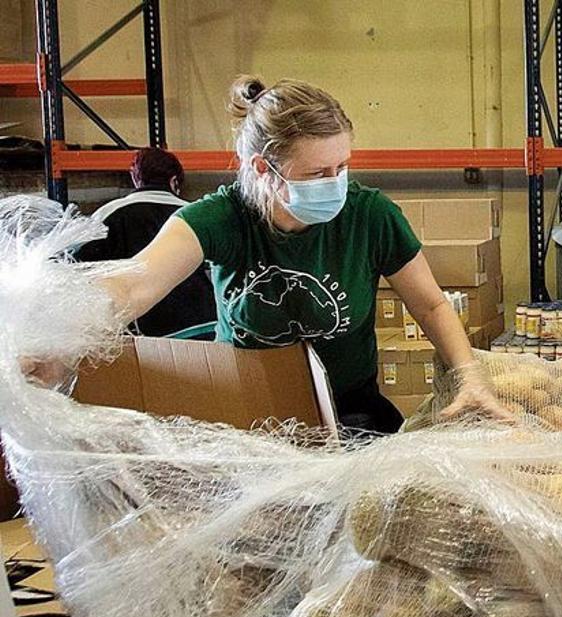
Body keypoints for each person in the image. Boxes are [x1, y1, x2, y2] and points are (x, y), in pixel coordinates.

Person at [50, 76, 507, 433]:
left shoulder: (369, 217)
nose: (335, 183)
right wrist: (52, 333)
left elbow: (429, 304)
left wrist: (469, 376)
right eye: (316, 172)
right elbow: (135, 284)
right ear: (262, 170)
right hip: (246, 413)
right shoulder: (221, 219)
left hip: (350, 413)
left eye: (342, 167)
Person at [75, 147, 217, 337]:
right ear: (174, 181)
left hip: (150, 338)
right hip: (205, 325)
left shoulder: (108, 215)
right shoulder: (195, 213)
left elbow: (81, 273)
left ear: (136, 179)